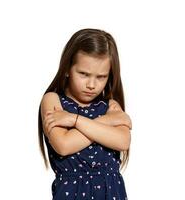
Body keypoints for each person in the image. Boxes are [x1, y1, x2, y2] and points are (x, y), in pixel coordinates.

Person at [38, 28, 132, 200]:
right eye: (83, 74)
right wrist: (108, 122)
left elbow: (123, 141)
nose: (91, 84)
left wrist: (74, 120)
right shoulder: (53, 100)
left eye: (101, 77)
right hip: (70, 194)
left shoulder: (110, 105)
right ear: (67, 69)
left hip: (111, 193)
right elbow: (64, 145)